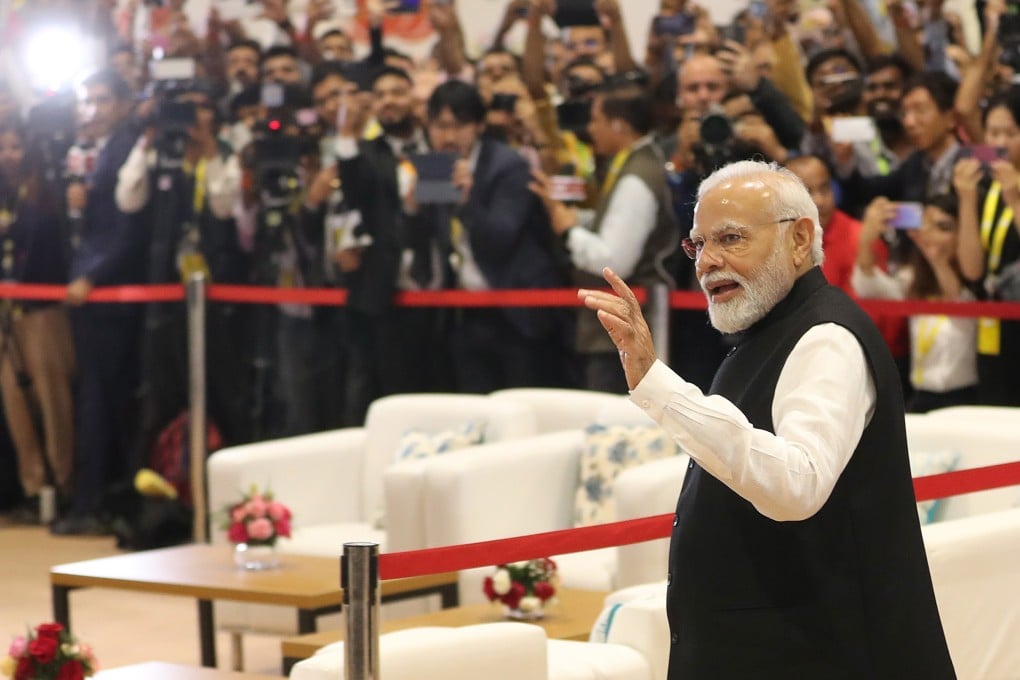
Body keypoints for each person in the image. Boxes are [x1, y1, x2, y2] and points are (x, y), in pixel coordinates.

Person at [577, 160, 954, 678]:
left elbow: (795, 486)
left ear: (800, 240)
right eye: (698, 245)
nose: (708, 262)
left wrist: (657, 384)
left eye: (730, 239)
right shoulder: (768, 329)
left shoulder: (827, 338)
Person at [530, 78, 678, 392]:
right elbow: (612, 225)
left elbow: (614, 261)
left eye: (596, 120)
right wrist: (572, 216)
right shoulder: (632, 164)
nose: (591, 128)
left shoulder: (638, 176)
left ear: (619, 124)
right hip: (619, 329)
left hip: (628, 330)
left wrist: (568, 229)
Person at [0, 120, 76, 524]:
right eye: (3, 146)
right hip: (6, 314)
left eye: (16, 146)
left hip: (43, 311)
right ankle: (33, 488)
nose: (8, 155)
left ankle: (63, 487)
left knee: (53, 400)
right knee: (15, 402)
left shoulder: (48, 194)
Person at [854, 194, 978, 412]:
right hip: (921, 396)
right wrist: (866, 239)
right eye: (926, 226)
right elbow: (869, 286)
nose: (932, 235)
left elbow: (958, 300)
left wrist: (936, 260)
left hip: (963, 400)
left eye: (944, 227)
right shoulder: (913, 280)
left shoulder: (976, 279)